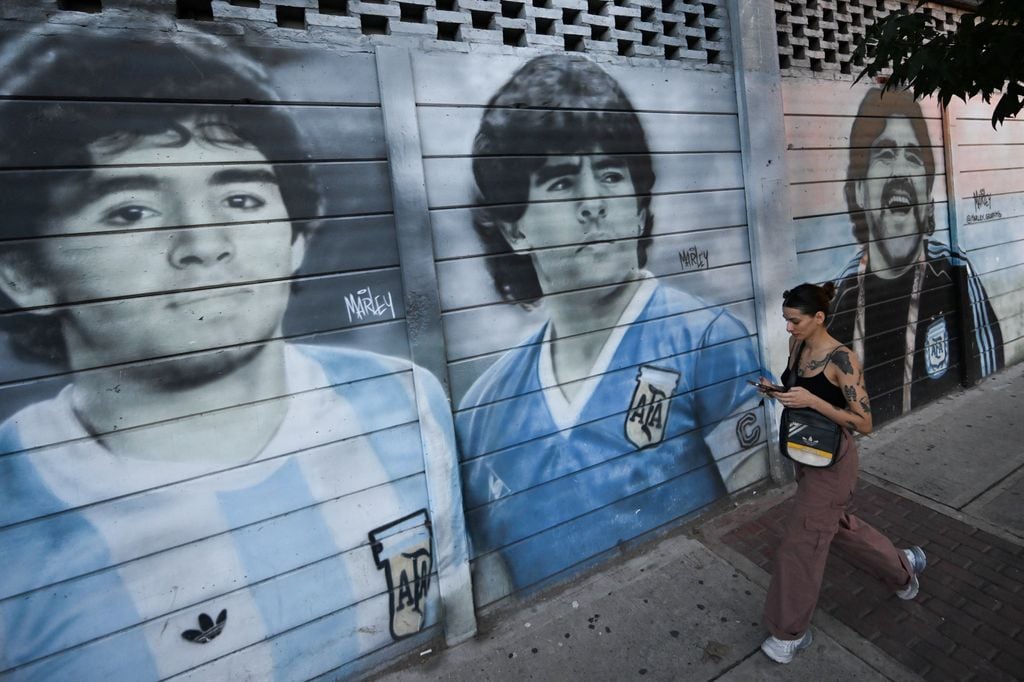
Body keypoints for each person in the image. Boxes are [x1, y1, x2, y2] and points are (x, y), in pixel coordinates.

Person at [0, 31, 468, 679]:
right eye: (130, 212)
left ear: (297, 237)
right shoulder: (15, 528)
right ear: (25, 272)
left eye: (240, 199)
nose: (204, 244)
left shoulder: (404, 400)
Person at [457, 54, 762, 602]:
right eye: (560, 181)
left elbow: (762, 512)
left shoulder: (707, 342)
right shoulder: (482, 409)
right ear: (513, 229)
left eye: (612, 174)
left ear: (640, 208)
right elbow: (494, 585)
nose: (593, 202)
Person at [758, 282, 926, 664]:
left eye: (794, 321)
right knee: (834, 526)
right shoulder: (797, 347)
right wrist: (778, 391)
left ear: (818, 318)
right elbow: (796, 390)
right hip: (805, 453)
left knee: (802, 543)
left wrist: (812, 400)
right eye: (785, 320)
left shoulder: (842, 360)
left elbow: (864, 422)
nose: (788, 328)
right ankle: (903, 568)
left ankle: (787, 635)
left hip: (833, 463)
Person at [831, 88, 1003, 424]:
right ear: (859, 191)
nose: (900, 172)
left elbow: (989, 364)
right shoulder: (842, 295)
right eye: (884, 153)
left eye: (913, 156)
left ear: (927, 194)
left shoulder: (955, 273)